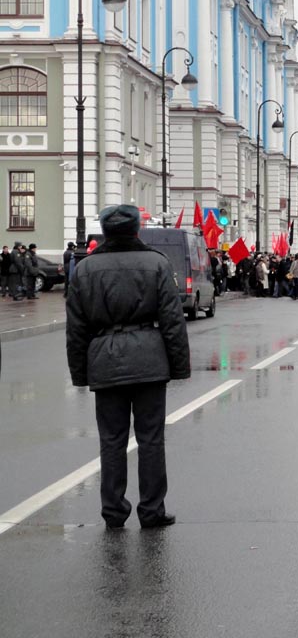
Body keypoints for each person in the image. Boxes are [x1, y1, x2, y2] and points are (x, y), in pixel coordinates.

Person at [65, 205, 190, 529]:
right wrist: (179, 367)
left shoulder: (85, 269)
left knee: (111, 440)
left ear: (105, 232)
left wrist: (80, 372)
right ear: (137, 231)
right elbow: (172, 322)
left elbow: (76, 328)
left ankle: (113, 511)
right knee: (151, 439)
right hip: (149, 359)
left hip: (105, 360)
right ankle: (151, 510)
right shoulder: (156, 264)